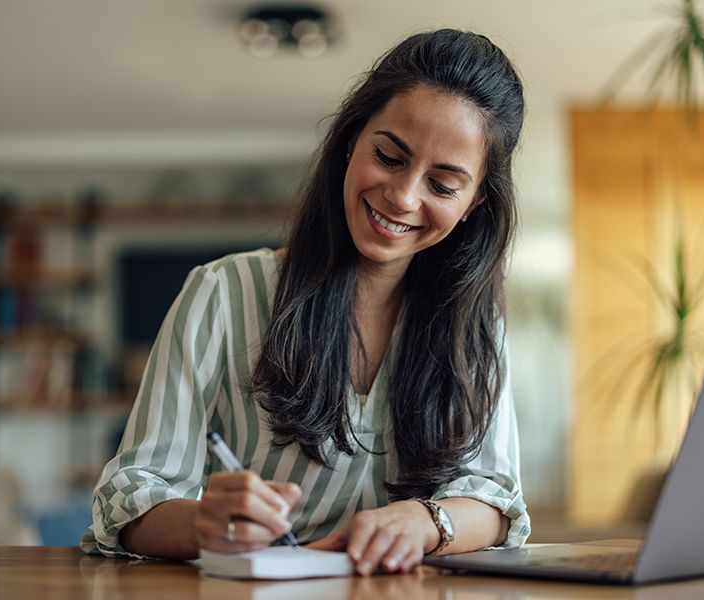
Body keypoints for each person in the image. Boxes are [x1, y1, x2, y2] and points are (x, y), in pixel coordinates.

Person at [81, 28, 531, 575]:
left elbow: (497, 500)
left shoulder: (475, 327)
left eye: (442, 185)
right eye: (389, 157)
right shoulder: (221, 293)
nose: (404, 196)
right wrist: (204, 523)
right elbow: (126, 498)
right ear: (351, 141)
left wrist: (426, 521)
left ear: (474, 202)